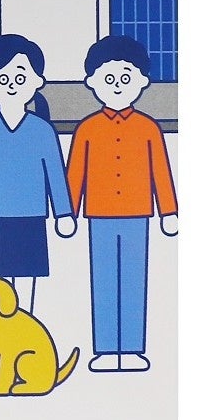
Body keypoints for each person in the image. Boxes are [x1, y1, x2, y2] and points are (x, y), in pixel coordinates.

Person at [0, 5, 76, 312]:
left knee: (26, 286)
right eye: (2, 78)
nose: (10, 84)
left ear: (37, 81)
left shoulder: (42, 130)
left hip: (32, 217)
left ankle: (25, 331)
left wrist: (63, 213)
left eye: (20, 77)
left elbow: (56, 174)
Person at [66, 34, 178, 372]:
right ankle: (105, 349)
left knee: (132, 280)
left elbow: (161, 170)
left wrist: (169, 211)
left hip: (137, 213)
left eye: (125, 78)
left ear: (142, 81)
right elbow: (75, 171)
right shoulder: (87, 128)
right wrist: (68, 211)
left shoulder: (148, 128)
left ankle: (130, 348)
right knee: (103, 281)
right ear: (92, 82)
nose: (117, 85)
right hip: (98, 214)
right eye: (108, 78)